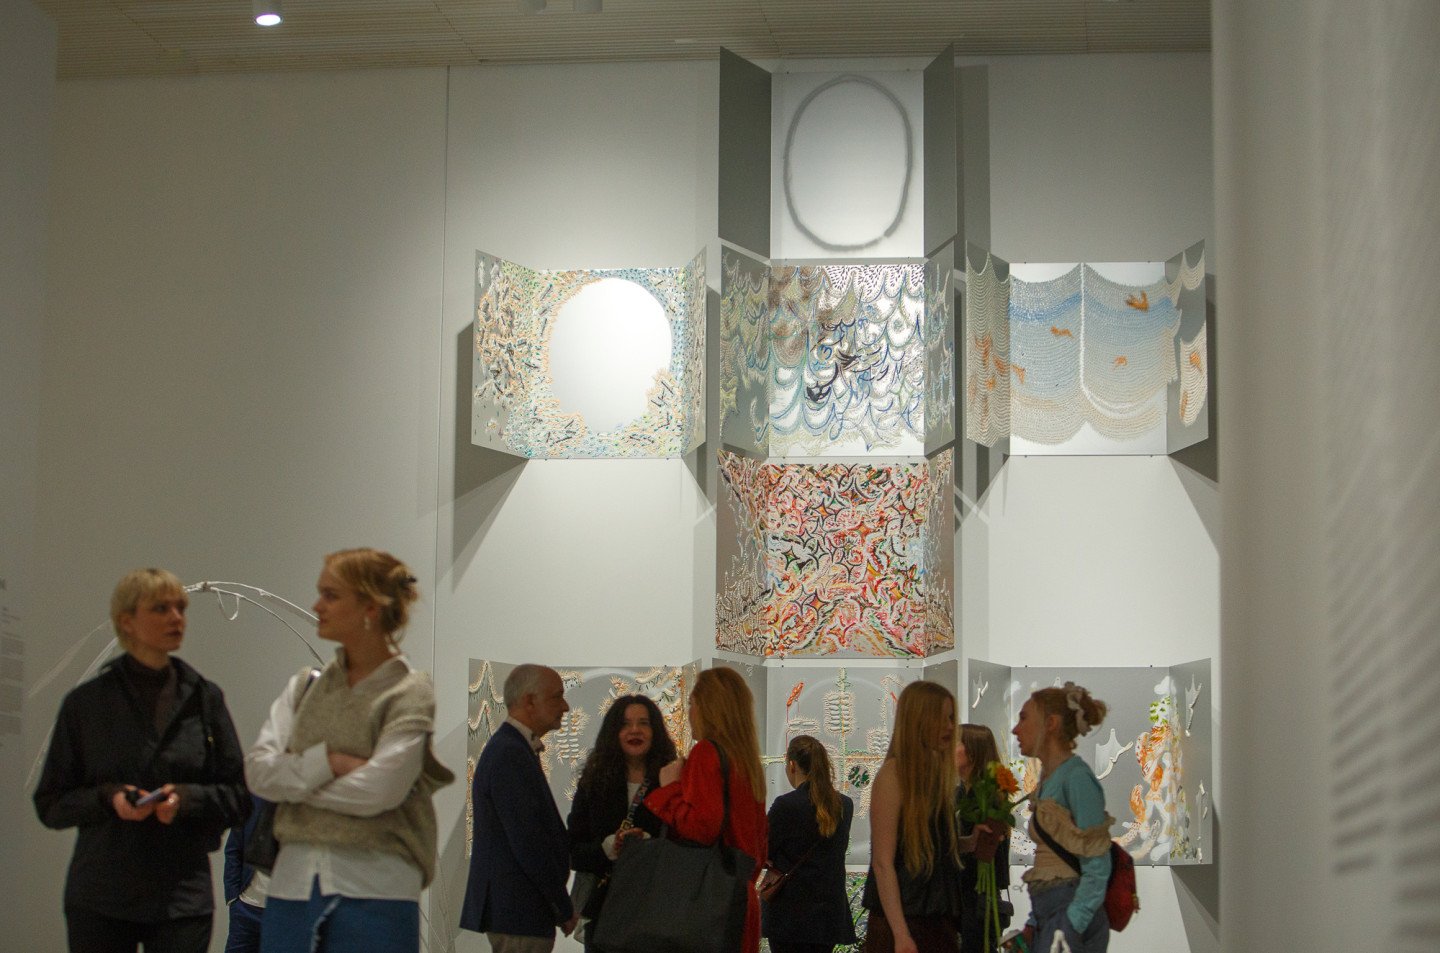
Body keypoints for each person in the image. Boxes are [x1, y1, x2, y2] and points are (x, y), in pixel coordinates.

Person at [244, 548, 453, 953]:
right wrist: (330, 762)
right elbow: (257, 772)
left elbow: (379, 791)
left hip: (377, 890)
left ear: (370, 607)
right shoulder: (304, 687)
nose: (316, 606)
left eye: (330, 595)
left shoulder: (410, 693)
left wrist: (294, 789)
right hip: (291, 888)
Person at [34, 568, 251, 953]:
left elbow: (239, 797)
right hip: (101, 896)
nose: (176, 618)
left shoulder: (204, 699)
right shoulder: (86, 704)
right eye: (161, 608)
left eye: (181, 608)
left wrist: (186, 800)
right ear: (127, 621)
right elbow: (51, 803)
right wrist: (110, 799)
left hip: (181, 897)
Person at [644, 666, 768, 953]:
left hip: (712, 901)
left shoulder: (706, 753)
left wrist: (669, 788)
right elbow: (760, 842)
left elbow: (702, 827)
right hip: (741, 896)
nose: (689, 713)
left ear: (707, 707)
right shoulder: (747, 764)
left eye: (692, 703)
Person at [461, 664, 579, 952]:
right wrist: (562, 905)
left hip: (518, 911)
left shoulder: (511, 749)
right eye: (557, 696)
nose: (565, 706)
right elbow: (528, 841)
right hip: (519, 911)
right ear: (530, 701)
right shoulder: (510, 753)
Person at [566, 694, 676, 949]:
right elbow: (572, 850)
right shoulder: (594, 782)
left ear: (655, 731)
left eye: (643, 723)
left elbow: (686, 842)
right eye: (625, 724)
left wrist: (646, 845)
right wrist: (608, 847)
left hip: (657, 910)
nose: (634, 730)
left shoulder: (670, 779)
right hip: (605, 910)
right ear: (613, 732)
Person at [1010, 683, 1113, 953]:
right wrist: (1034, 923)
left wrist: (1071, 924)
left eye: (1024, 718)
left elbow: (1097, 863)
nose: (1015, 730)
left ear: (1051, 724)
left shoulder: (1076, 777)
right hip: (1050, 913)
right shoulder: (1049, 779)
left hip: (1068, 913)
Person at [861, 680, 962, 953]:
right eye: (942, 718)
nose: (950, 727)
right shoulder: (893, 775)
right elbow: (883, 862)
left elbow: (933, 846)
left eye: (951, 718)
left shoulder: (936, 773)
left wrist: (969, 842)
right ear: (919, 720)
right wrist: (901, 934)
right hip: (903, 923)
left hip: (935, 920)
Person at [760, 735, 857, 953]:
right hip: (828, 916)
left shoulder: (786, 805)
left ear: (792, 766)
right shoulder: (845, 805)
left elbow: (762, 849)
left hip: (789, 916)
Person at [954, 724, 1011, 953]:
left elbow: (985, 854)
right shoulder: (961, 792)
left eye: (956, 743)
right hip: (964, 897)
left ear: (972, 753)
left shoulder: (988, 796)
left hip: (977, 899)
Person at [222, 797, 272, 953]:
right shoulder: (253, 801)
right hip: (246, 906)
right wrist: (233, 898)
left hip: (284, 911)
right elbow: (233, 849)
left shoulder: (302, 803)